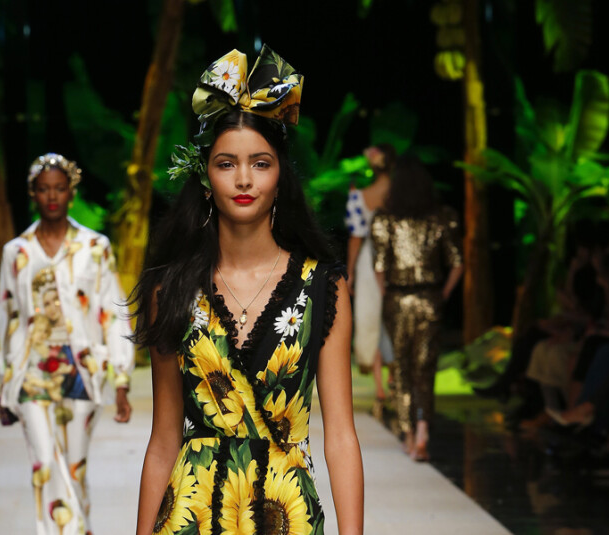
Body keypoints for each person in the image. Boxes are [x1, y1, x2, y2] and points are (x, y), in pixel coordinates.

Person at [131, 46, 364, 535]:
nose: (243, 179)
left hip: (288, 516)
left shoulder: (323, 287)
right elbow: (164, 438)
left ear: (281, 176)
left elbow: (341, 435)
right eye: (226, 164)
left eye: (260, 163)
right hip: (190, 517)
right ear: (205, 175)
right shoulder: (170, 289)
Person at [0, 153, 134, 535]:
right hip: (30, 370)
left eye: (59, 188)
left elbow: (112, 310)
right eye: (44, 189)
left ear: (71, 192)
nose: (52, 196)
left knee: (74, 468)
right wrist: (4, 379)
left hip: (82, 370)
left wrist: (121, 378)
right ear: (32, 193)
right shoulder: (16, 252)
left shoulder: (95, 247)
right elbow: (7, 317)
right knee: (44, 462)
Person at [371, 155, 463, 461]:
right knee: (426, 366)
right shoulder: (442, 217)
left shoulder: (386, 220)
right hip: (430, 298)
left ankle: (408, 434)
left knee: (402, 366)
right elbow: (457, 263)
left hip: (397, 298)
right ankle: (422, 432)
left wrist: (386, 294)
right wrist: (442, 294)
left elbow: (380, 265)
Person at [344, 143, 396, 418]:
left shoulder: (359, 196)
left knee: (371, 321)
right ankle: (395, 380)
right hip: (399, 259)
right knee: (395, 319)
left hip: (368, 261)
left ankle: (380, 387)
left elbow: (356, 237)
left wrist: (351, 273)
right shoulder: (402, 195)